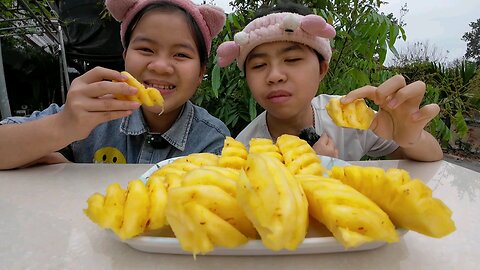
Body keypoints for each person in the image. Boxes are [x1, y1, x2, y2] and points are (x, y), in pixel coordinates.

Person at [0, 0, 229, 170]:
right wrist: (63, 126)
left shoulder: (211, 140)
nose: (160, 66)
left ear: (201, 72)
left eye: (180, 54)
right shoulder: (93, 113)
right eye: (146, 49)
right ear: (125, 55)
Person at [216, 1, 443, 162]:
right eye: (258, 65)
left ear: (322, 69)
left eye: (292, 59)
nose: (275, 75)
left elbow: (424, 160)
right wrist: (319, 169)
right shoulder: (245, 149)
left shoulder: (347, 117)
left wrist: (411, 138)